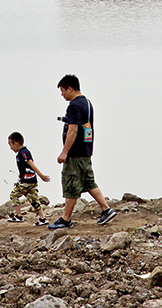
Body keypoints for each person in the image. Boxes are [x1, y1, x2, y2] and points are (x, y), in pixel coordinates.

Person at [49, 74, 116, 229]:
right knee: (88, 182)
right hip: (86, 150)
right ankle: (106, 209)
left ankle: (66, 219)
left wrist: (64, 152)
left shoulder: (74, 106)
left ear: (70, 88)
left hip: (75, 153)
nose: (62, 94)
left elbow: (73, 131)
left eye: (62, 90)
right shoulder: (87, 102)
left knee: (71, 184)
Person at [7, 132, 51, 225]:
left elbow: (31, 164)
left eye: (10, 145)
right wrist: (21, 174)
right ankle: (42, 218)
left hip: (26, 182)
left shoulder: (23, 153)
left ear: (15, 143)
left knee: (14, 195)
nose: (10, 148)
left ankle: (19, 216)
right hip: (31, 180)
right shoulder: (23, 152)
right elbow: (26, 167)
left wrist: (41, 175)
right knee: (33, 199)